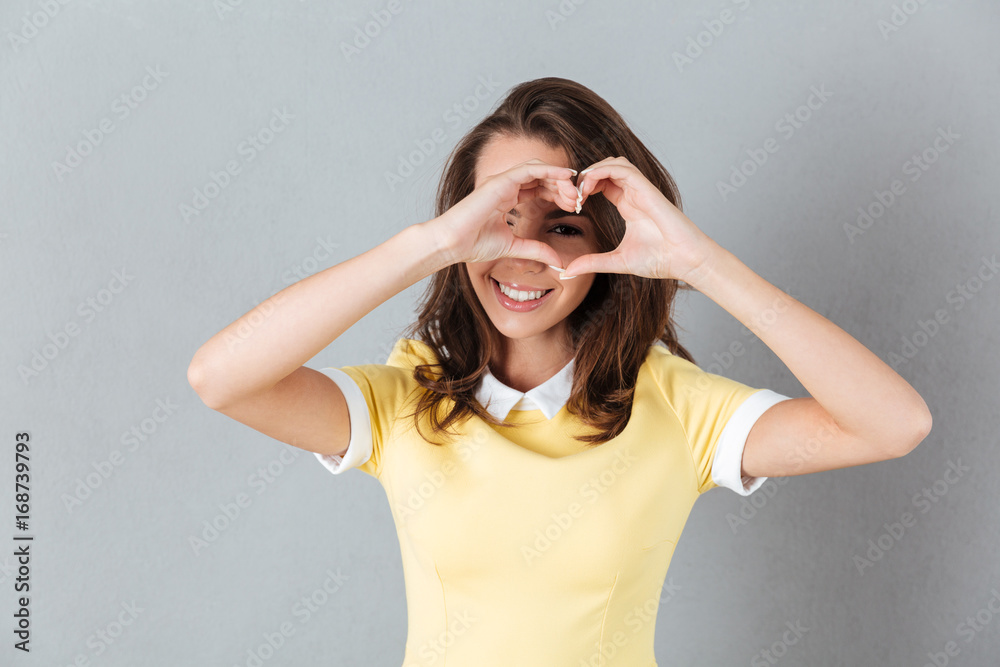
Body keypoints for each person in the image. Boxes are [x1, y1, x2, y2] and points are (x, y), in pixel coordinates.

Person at [187, 77, 933, 666]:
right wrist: (430, 244)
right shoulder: (406, 398)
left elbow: (895, 423)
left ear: (608, 241)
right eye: (500, 218)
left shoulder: (678, 406)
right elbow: (220, 377)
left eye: (563, 226)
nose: (526, 256)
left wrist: (701, 264)